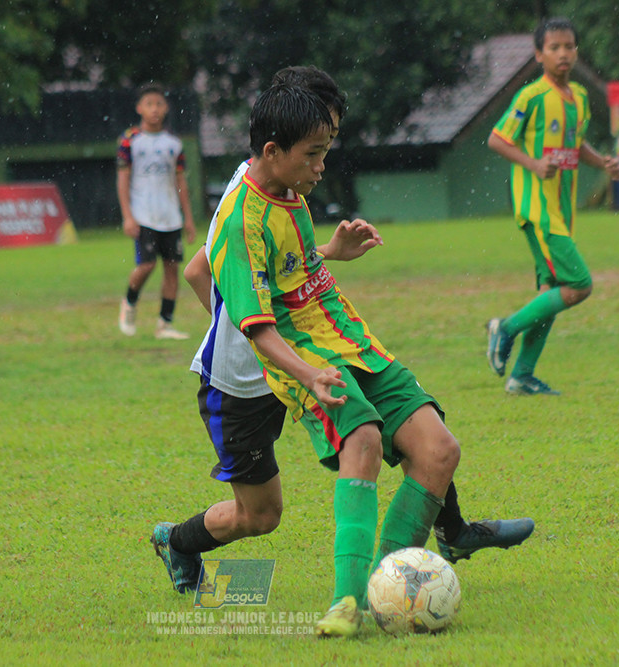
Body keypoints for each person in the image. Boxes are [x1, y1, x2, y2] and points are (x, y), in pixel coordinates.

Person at [150, 68, 533, 608]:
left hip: (311, 354)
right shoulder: (245, 196)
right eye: (316, 147)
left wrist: (320, 259)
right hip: (244, 376)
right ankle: (176, 541)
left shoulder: (288, 186)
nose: (323, 163)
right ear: (276, 143)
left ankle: (429, 548)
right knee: (260, 516)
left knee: (417, 432)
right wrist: (250, 326)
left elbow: (287, 260)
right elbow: (199, 271)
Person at [485, 17, 619, 395]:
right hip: (536, 207)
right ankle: (505, 328)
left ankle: (522, 375)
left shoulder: (578, 97)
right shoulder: (530, 97)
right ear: (539, 55)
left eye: (569, 46)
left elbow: (576, 146)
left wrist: (603, 163)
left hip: (561, 209)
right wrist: (532, 163)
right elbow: (497, 140)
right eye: (554, 48)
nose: (563, 54)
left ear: (576, 51)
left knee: (552, 290)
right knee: (579, 284)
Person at [116, 82, 197, 340]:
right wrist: (128, 216)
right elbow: (122, 179)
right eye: (149, 103)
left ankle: (165, 324)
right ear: (139, 108)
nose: (154, 109)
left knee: (173, 269)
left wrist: (188, 218)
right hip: (143, 215)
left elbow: (181, 181)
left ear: (166, 108)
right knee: (147, 265)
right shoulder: (130, 140)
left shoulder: (174, 143)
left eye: (159, 103)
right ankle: (129, 302)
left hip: (170, 216)